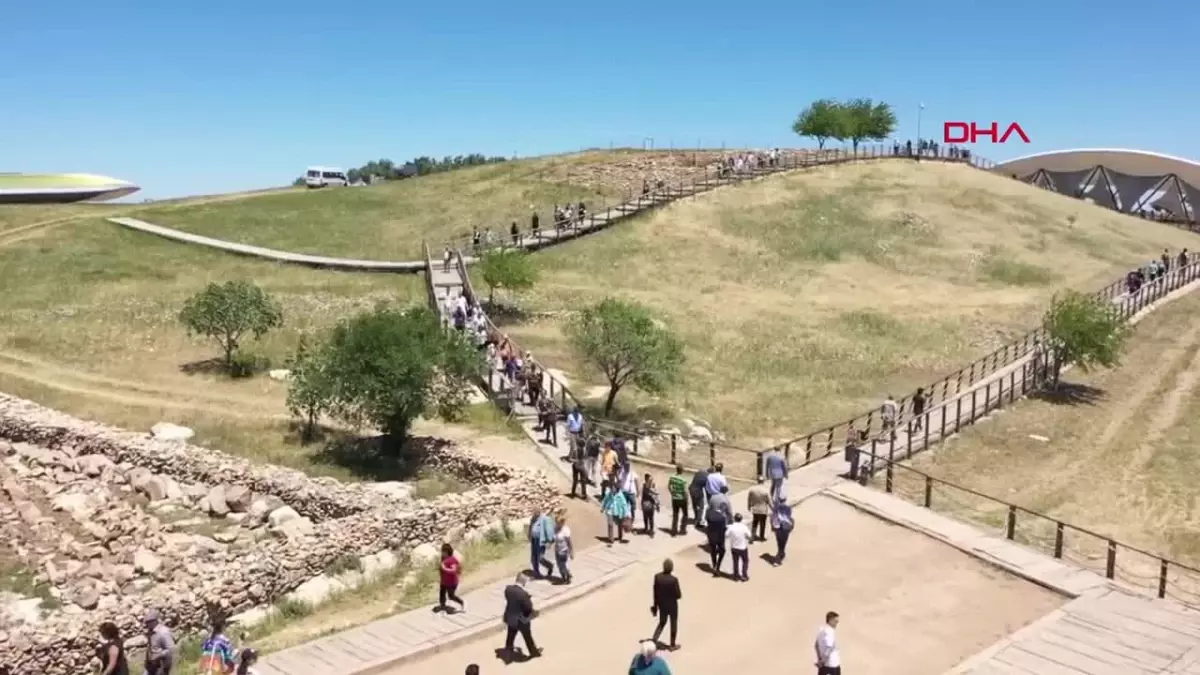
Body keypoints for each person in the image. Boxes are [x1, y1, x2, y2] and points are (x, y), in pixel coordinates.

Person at [502, 573, 541, 660]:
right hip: (521, 620)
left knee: (511, 634)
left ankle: (508, 651)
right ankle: (534, 652)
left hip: (510, 617)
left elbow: (510, 600)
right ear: (523, 582)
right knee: (527, 637)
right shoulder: (523, 594)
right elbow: (528, 608)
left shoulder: (508, 589)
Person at [650, 559, 681, 650]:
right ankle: (672, 645)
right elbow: (678, 595)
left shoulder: (657, 577)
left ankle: (654, 639)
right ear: (671, 568)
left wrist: (655, 606)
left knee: (662, 622)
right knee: (673, 623)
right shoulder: (674, 580)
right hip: (672, 605)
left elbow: (655, 593)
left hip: (662, 604)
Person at [144, 609, 176, 675]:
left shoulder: (163, 632)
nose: (146, 625)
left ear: (154, 621)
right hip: (151, 666)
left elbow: (170, 650)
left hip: (161, 665)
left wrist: (159, 655)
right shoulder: (151, 632)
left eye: (148, 622)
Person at [527, 507, 556, 579]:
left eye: (536, 513)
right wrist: (529, 535)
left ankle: (549, 566)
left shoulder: (545, 519)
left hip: (541, 540)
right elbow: (531, 527)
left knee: (540, 558)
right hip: (534, 540)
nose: (534, 514)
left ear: (539, 512)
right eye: (533, 513)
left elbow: (549, 530)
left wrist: (550, 541)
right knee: (533, 558)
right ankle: (536, 574)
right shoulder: (533, 518)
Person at [438, 543, 466, 612]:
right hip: (444, 581)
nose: (442, 553)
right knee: (442, 594)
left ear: (447, 552)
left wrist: (444, 568)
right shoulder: (443, 559)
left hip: (451, 582)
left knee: (451, 596)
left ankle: (462, 602)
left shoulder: (452, 560)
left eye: (443, 551)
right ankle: (442, 606)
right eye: (442, 551)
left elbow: (453, 570)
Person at [705, 494, 728, 577]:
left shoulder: (709, 514)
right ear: (723, 508)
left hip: (711, 535)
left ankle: (714, 564)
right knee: (723, 551)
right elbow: (724, 528)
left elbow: (707, 521)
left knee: (713, 551)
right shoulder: (722, 518)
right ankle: (718, 566)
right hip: (720, 537)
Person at [727, 513, 752, 581]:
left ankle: (735, 575)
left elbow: (726, 535)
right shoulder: (743, 527)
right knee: (745, 561)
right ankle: (744, 575)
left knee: (735, 561)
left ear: (734, 519)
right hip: (742, 547)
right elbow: (749, 536)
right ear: (741, 519)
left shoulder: (731, 527)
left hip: (734, 547)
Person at [770, 495, 795, 565]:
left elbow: (773, 518)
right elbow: (789, 517)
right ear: (785, 500)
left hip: (777, 527)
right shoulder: (788, 508)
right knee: (783, 542)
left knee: (779, 541)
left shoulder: (776, 508)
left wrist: (772, 526)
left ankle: (781, 553)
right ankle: (779, 557)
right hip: (785, 527)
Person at [666, 465, 689, 536]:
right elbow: (685, 491)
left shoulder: (672, 477)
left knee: (675, 514)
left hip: (675, 498)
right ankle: (683, 529)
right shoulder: (683, 480)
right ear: (682, 471)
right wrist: (687, 499)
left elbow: (669, 486)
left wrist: (672, 493)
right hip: (682, 499)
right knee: (685, 514)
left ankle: (674, 530)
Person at [553, 510, 574, 583]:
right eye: (556, 522)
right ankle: (566, 575)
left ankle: (566, 579)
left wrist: (571, 552)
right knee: (560, 566)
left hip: (564, 550)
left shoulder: (565, 530)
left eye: (558, 523)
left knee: (562, 566)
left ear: (562, 523)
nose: (556, 524)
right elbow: (553, 538)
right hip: (557, 550)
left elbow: (569, 542)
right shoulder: (555, 528)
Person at [640, 473, 661, 537]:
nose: (651, 481)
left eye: (651, 479)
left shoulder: (653, 485)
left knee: (651, 517)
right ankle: (646, 528)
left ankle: (651, 530)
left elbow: (655, 496)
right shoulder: (645, 485)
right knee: (646, 517)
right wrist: (656, 493)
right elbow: (650, 492)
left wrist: (657, 504)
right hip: (646, 503)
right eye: (649, 479)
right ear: (646, 479)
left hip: (650, 503)